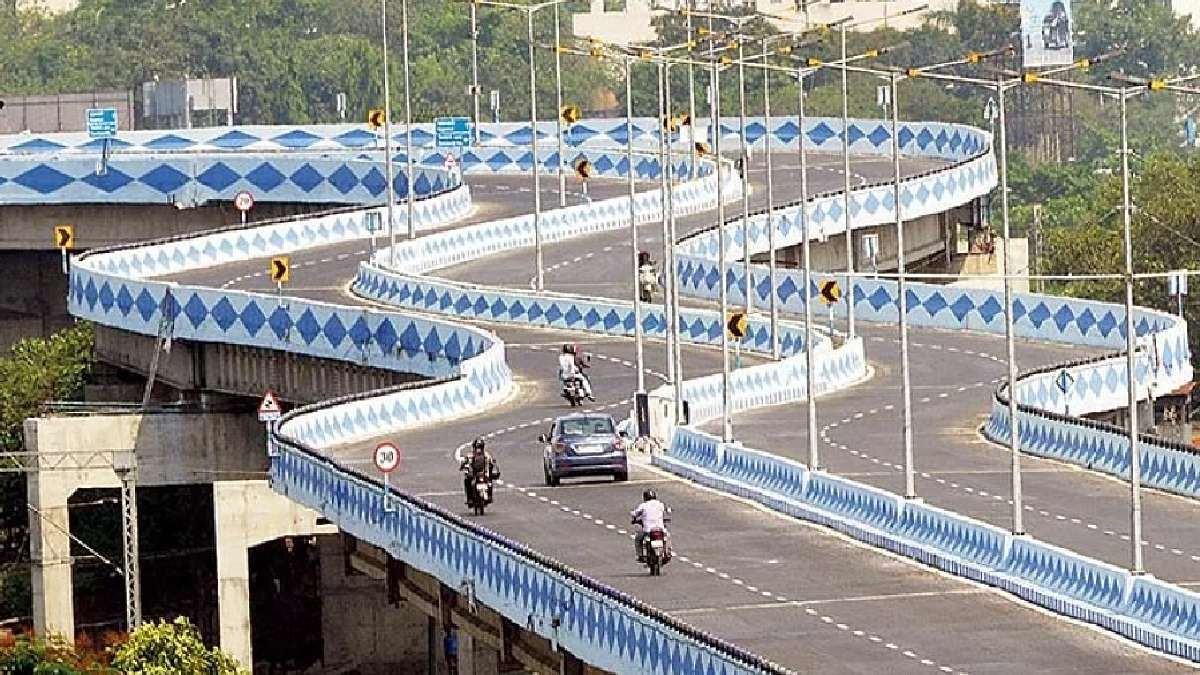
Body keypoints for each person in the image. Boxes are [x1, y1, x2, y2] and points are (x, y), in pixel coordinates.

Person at [631, 489, 671, 563]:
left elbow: (634, 514)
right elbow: (668, 511)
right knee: (667, 537)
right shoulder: (660, 504)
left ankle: (640, 555)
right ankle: (667, 553)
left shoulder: (643, 505)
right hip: (660, 529)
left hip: (648, 530)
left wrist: (634, 519)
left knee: (638, 539)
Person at [459, 437, 497, 506]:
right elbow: (464, 463)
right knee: (467, 481)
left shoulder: (486, 455)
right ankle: (470, 498)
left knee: (489, 482)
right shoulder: (482, 455)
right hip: (475, 474)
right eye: (477, 448)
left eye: (479, 448)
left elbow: (492, 463)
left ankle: (488, 496)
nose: (478, 450)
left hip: (483, 474)